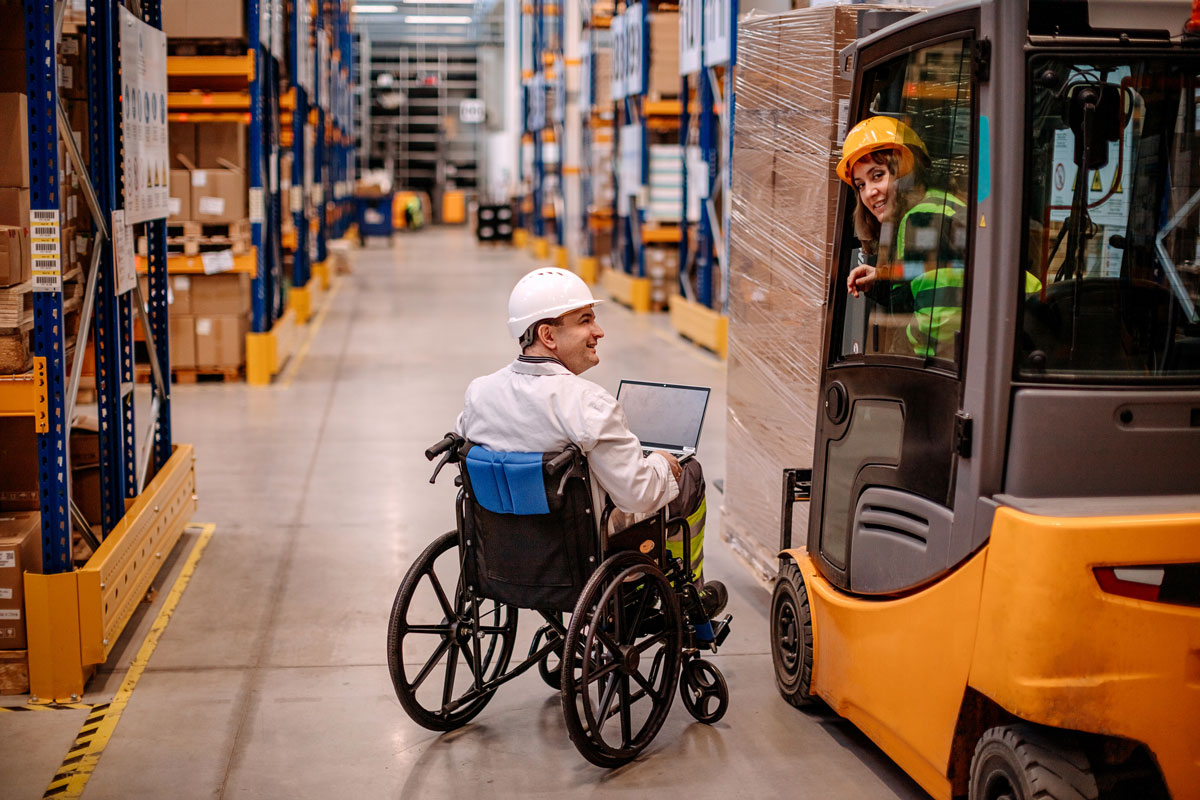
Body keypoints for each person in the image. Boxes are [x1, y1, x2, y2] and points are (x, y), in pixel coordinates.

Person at [455, 267, 725, 617]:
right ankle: (684, 599)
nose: (598, 332)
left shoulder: (480, 393)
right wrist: (662, 463)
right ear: (547, 335)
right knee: (690, 476)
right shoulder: (587, 404)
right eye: (585, 321)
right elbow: (636, 494)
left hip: (505, 549)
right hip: (580, 549)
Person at [840, 116, 1041, 358]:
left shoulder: (923, 218)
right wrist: (882, 277)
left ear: (907, 171)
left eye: (877, 175)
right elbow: (935, 280)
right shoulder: (939, 204)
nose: (869, 192)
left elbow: (940, 321)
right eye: (860, 185)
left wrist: (898, 353)